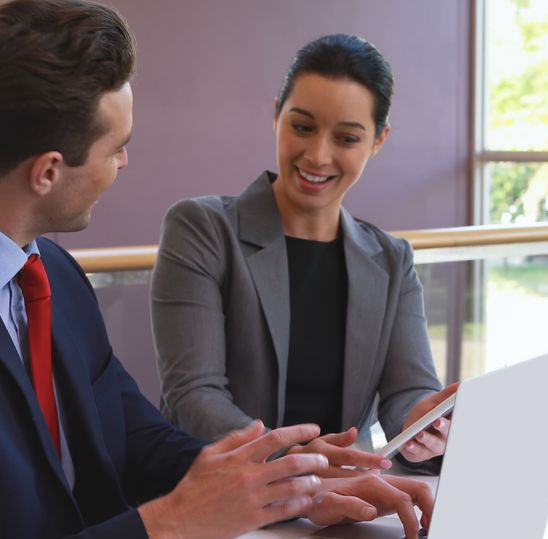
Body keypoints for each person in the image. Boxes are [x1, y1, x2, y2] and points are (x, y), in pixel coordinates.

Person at [0, 2, 447, 539]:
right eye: (116, 147)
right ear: (47, 171)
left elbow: (137, 441)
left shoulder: (52, 274)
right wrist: (167, 527)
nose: (125, 163)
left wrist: (289, 485)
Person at [152, 34, 454, 471]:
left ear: (378, 140)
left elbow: (409, 393)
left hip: (339, 498)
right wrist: (298, 465)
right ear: (277, 115)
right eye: (303, 127)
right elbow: (193, 397)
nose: (317, 155)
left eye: (346, 138)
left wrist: (424, 426)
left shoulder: (392, 260)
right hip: (225, 497)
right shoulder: (202, 229)